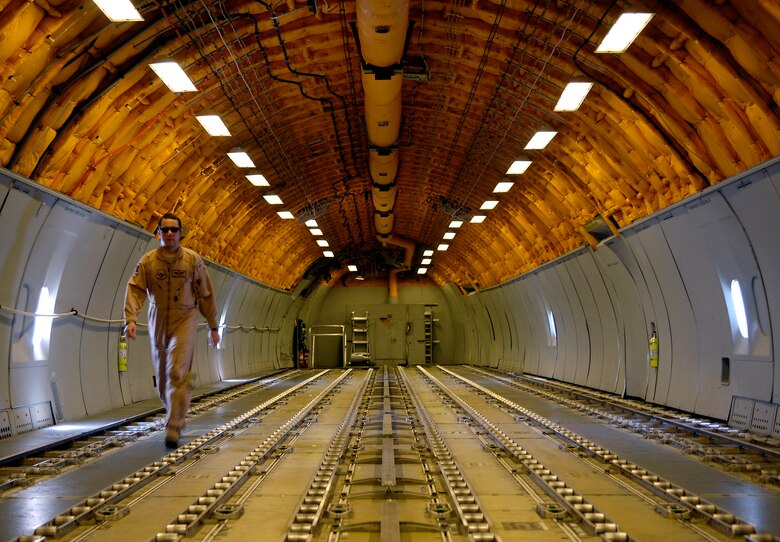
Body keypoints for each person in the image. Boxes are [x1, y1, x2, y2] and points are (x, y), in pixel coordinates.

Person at [124, 213, 220, 448]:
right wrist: (130, 318)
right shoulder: (148, 262)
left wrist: (213, 326)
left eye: (173, 230)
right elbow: (135, 288)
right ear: (158, 233)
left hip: (185, 318)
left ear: (180, 234)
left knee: (176, 372)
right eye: (164, 230)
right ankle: (178, 403)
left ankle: (174, 425)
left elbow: (205, 294)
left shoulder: (192, 260)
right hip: (158, 321)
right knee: (164, 381)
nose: (169, 234)